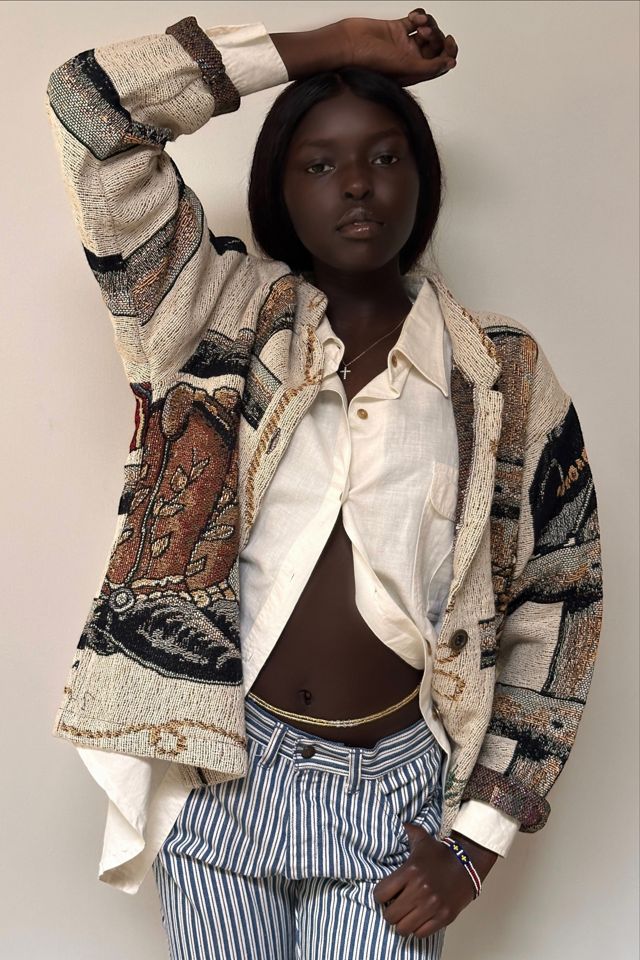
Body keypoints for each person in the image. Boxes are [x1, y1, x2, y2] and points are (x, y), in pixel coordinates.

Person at [45, 8, 603, 959]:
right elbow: (88, 106)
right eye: (319, 163)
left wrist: (478, 844)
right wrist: (338, 46)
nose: (356, 183)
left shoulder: (500, 374)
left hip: (394, 798)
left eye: (386, 157)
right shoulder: (206, 314)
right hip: (221, 779)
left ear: (422, 179)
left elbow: (562, 603)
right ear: (279, 187)